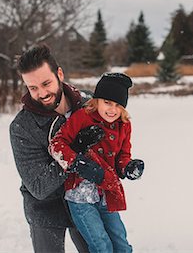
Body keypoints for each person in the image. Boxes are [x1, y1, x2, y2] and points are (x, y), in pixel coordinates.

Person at [9, 43, 103, 252]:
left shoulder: (88, 104)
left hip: (86, 200)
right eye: (32, 88)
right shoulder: (22, 127)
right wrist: (74, 152)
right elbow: (39, 187)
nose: (41, 93)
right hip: (46, 209)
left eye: (46, 83)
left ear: (59, 74)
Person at [49, 72, 145, 253]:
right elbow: (56, 145)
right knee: (101, 245)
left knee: (121, 244)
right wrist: (77, 163)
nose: (112, 109)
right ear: (97, 100)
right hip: (81, 195)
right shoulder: (82, 117)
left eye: (118, 105)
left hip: (107, 191)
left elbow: (122, 156)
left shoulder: (123, 125)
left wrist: (128, 167)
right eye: (107, 102)